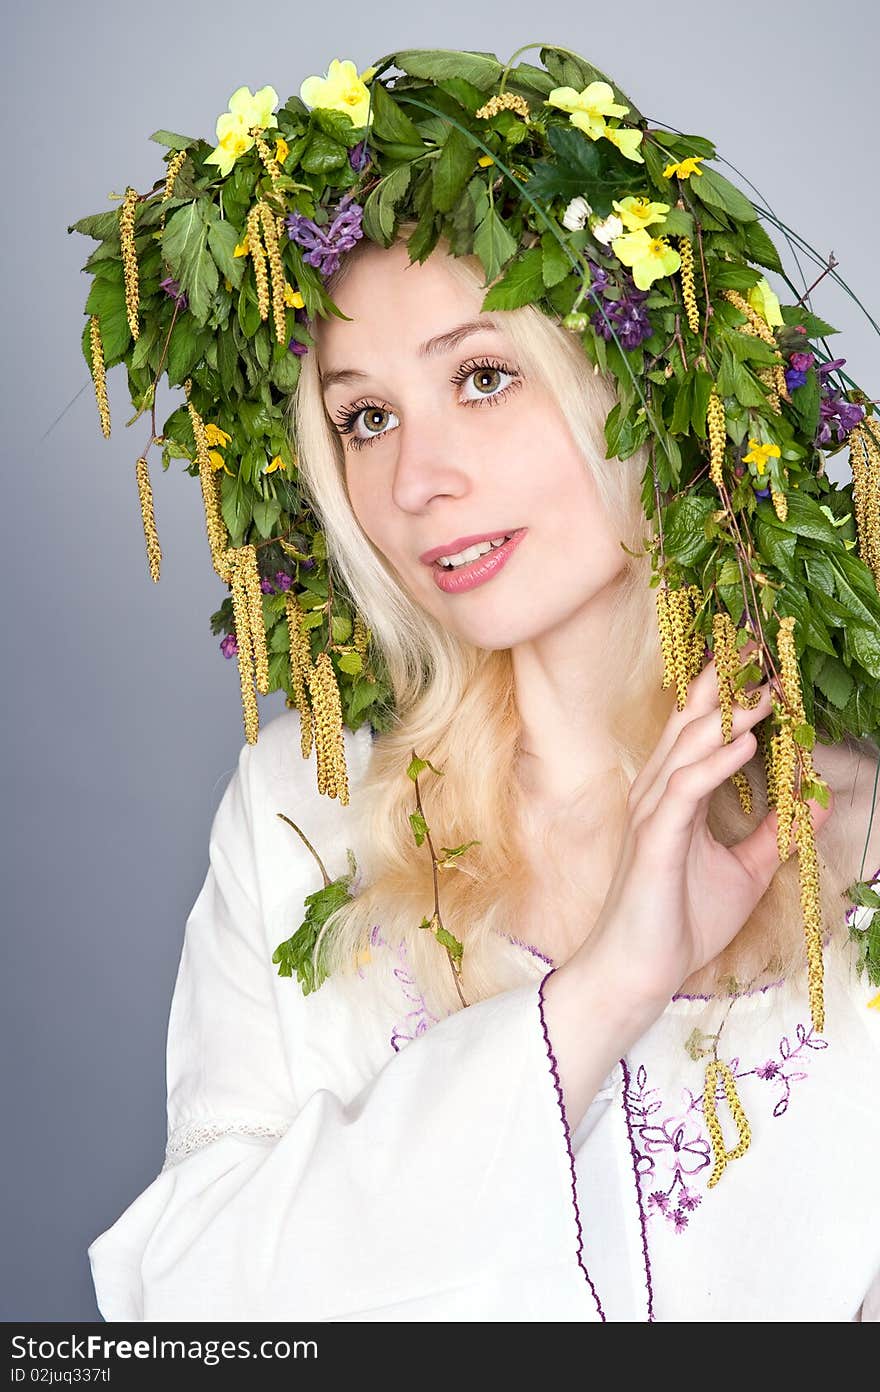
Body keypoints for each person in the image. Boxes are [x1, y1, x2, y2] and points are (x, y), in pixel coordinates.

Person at [86, 221, 880, 1322]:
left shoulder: (864, 837)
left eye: (484, 377)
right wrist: (597, 998)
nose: (415, 481)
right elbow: (190, 1303)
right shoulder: (302, 814)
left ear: (642, 383)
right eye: (366, 418)